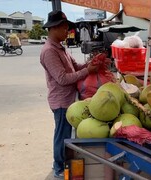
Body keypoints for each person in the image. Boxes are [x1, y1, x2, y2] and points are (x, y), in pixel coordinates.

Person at [40, 10, 99, 179]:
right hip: (61, 102)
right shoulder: (49, 51)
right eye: (65, 28)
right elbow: (63, 78)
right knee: (62, 135)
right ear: (54, 28)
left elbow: (75, 67)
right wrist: (88, 70)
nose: (68, 31)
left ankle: (63, 163)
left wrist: (89, 64)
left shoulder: (61, 48)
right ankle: (58, 167)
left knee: (66, 134)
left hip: (69, 99)